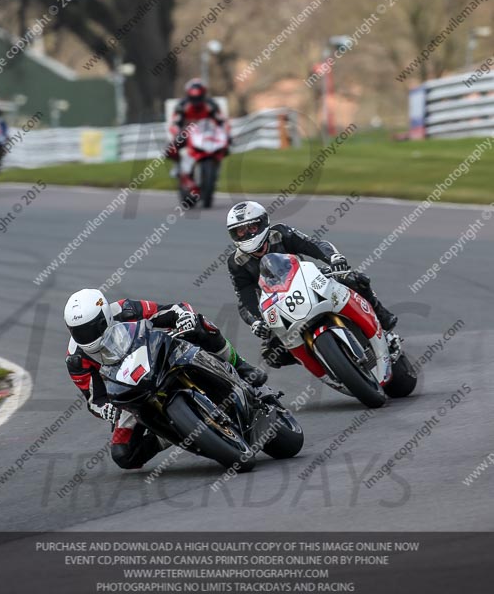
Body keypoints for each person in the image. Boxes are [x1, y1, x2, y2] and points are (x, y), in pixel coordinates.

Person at [64, 289, 267, 470]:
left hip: (159, 355)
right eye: (78, 331)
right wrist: (105, 409)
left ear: (105, 316)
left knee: (198, 324)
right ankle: (171, 432)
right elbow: (93, 398)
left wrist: (183, 316)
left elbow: (170, 310)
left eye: (90, 328)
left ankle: (239, 364)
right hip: (129, 388)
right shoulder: (76, 358)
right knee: (124, 455)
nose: (85, 336)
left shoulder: (125, 309)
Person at [226, 201, 398, 368]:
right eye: (240, 231)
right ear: (234, 234)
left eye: (252, 227)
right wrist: (256, 321)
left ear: (263, 223)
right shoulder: (236, 262)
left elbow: (313, 245)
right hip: (278, 303)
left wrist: (333, 257)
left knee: (354, 279)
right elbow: (244, 297)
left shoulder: (280, 233)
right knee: (272, 354)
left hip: (308, 281)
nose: (247, 234)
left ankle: (382, 319)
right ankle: (325, 361)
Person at [165, 78, 228, 163]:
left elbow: (221, 121)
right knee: (171, 149)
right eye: (194, 98)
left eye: (198, 98)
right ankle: (180, 166)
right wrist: (177, 132)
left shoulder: (211, 105)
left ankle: (215, 162)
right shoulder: (182, 106)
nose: (196, 101)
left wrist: (225, 133)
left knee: (226, 145)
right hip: (188, 132)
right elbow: (175, 123)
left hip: (207, 131)